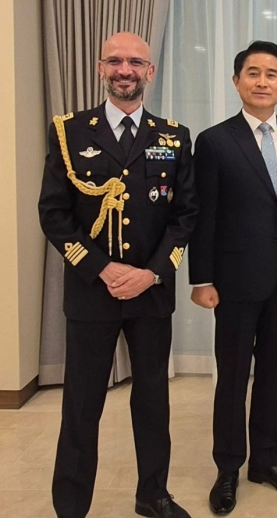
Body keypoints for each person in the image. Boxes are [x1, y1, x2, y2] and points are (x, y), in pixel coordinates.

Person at [39, 32, 198, 518]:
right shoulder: (69, 131)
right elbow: (54, 213)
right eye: (115, 61)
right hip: (93, 293)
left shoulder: (174, 136)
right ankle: (70, 505)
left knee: (153, 401)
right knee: (82, 406)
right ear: (100, 68)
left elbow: (186, 216)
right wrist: (102, 268)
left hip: (150, 295)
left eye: (135, 62)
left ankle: (153, 494)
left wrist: (151, 275)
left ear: (150, 72)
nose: (124, 69)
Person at [188, 41, 277, 515]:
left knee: (274, 373)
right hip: (233, 282)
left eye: (272, 74)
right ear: (237, 81)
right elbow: (202, 216)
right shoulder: (213, 141)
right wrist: (201, 278)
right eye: (253, 73)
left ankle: (265, 461)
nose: (262, 81)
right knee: (233, 378)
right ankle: (228, 467)